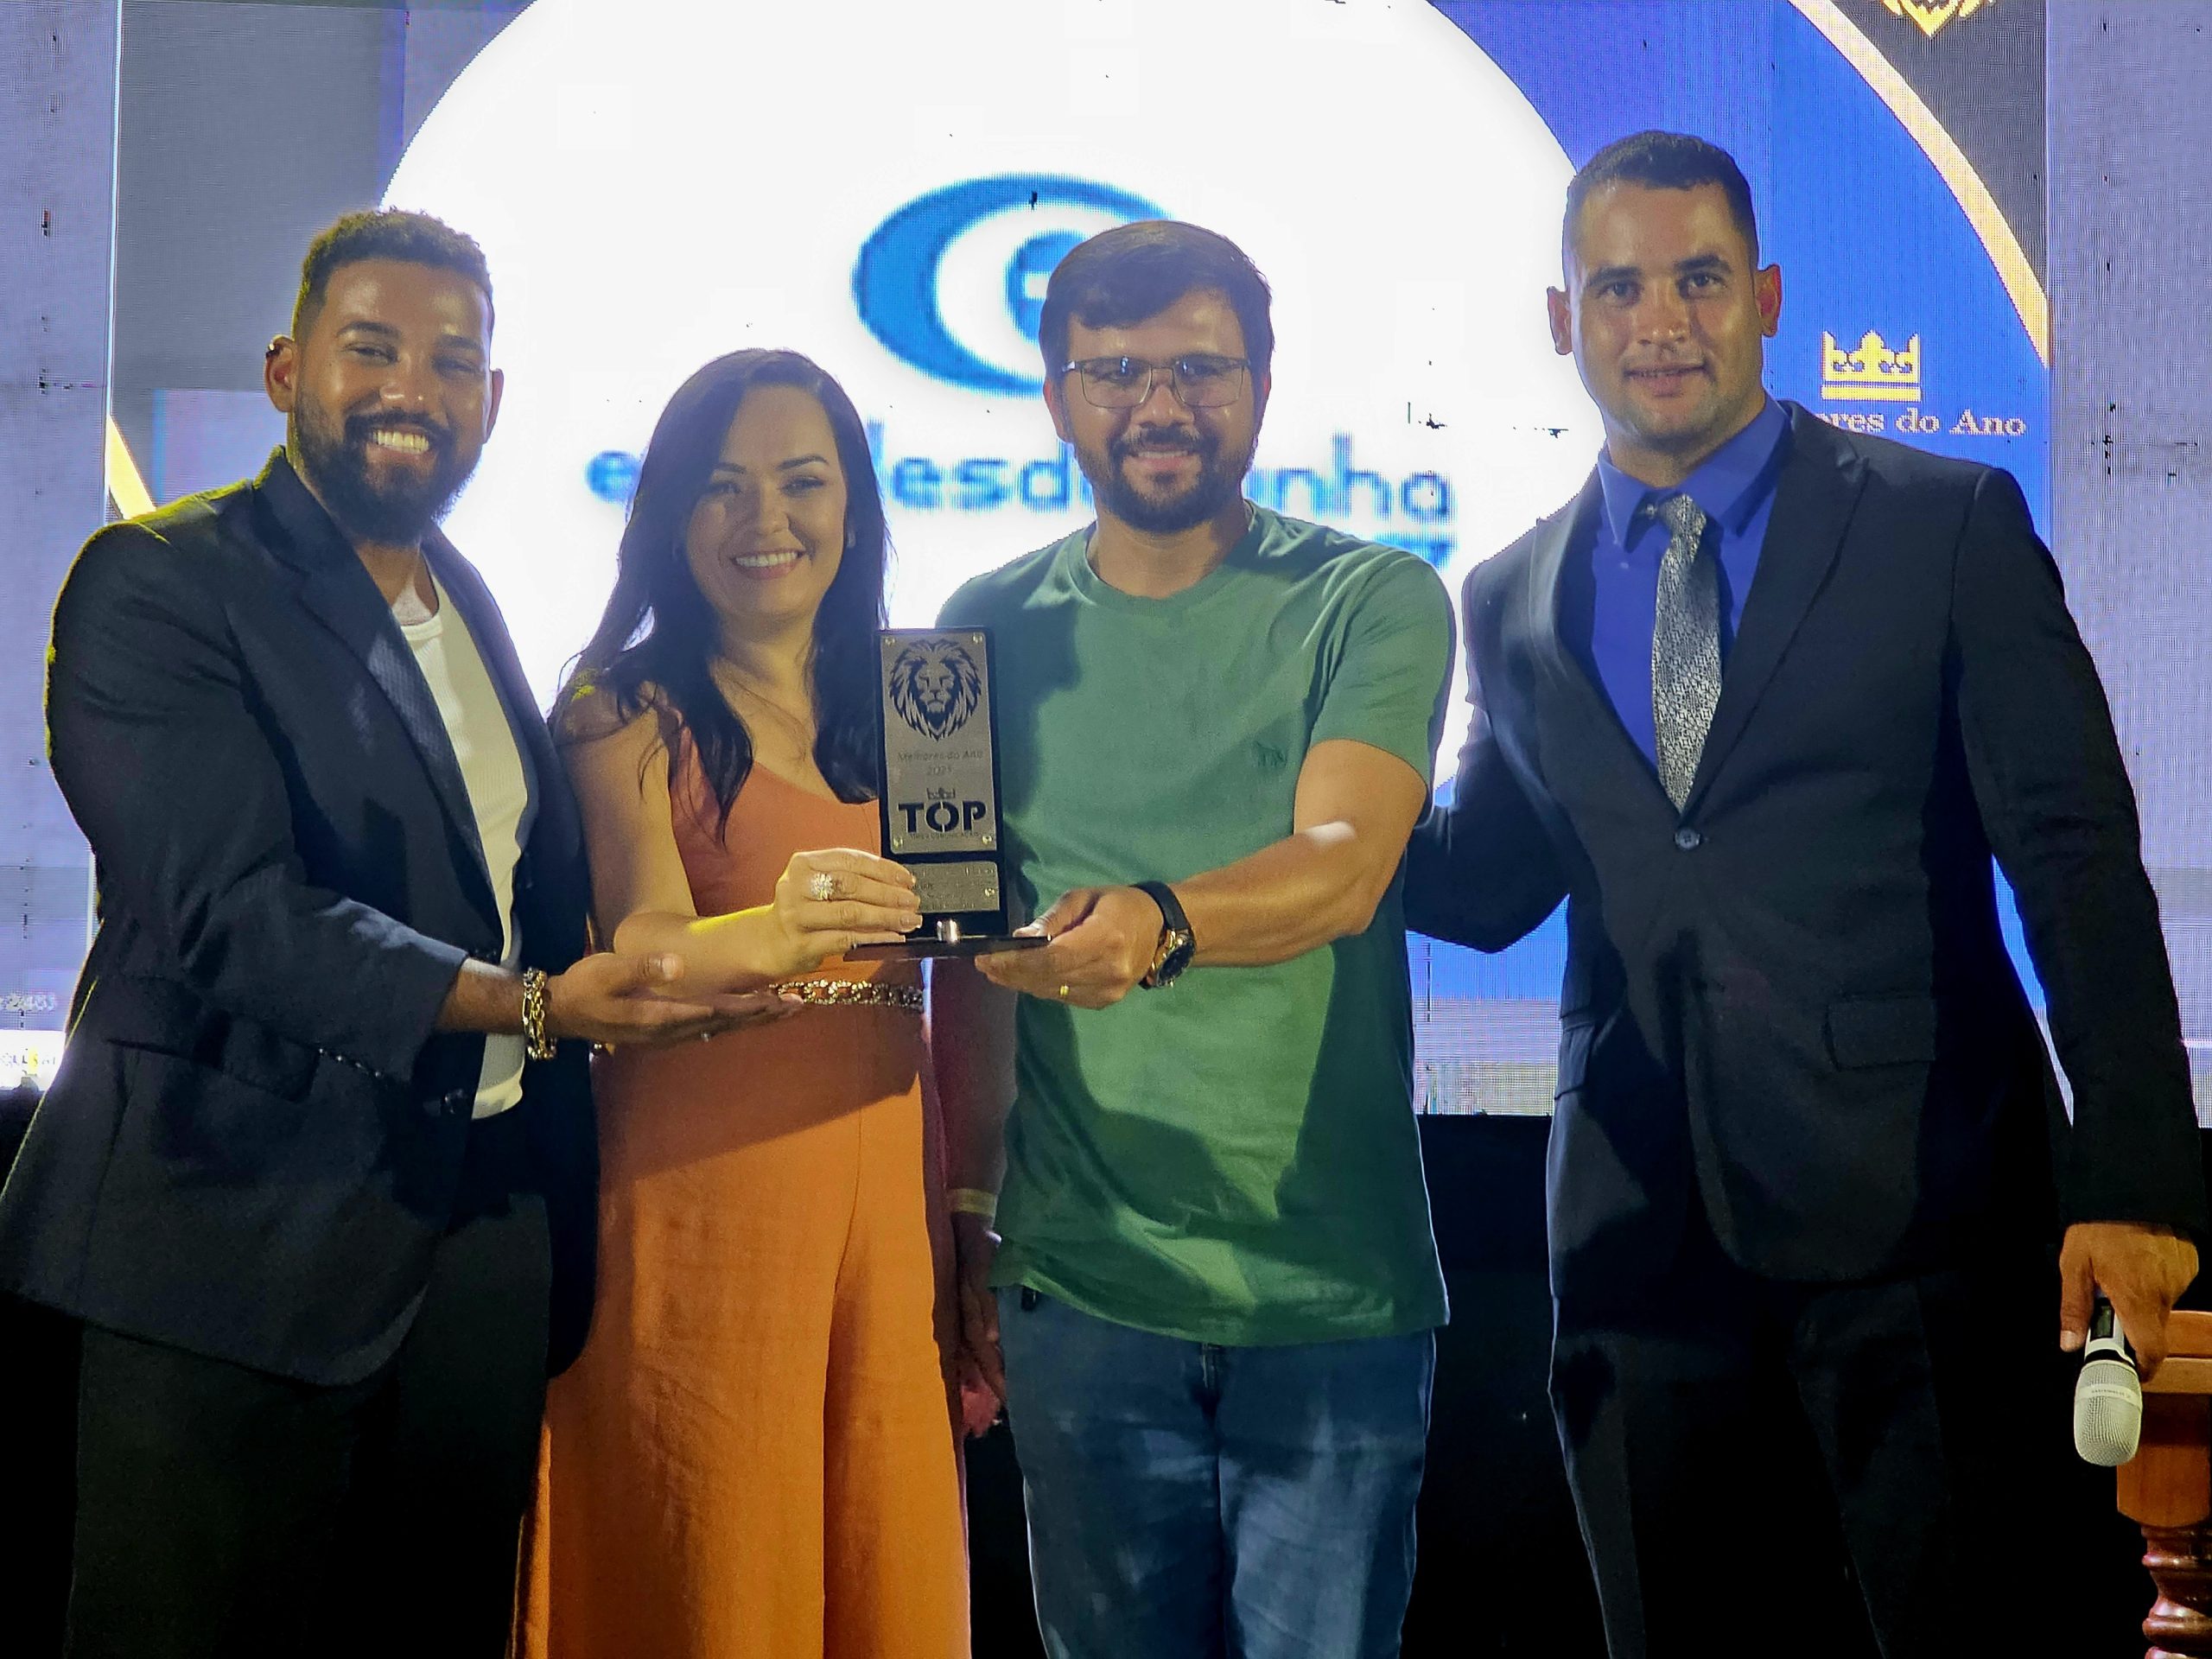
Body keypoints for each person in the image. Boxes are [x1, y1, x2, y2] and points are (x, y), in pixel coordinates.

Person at [1407, 130, 2209, 1656]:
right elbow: (1493, 881)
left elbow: (2075, 856)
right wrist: (1282, 809)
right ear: (1563, 321)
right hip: (1639, 1254)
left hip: (1927, 1235)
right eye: (1619, 287)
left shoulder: (1942, 522)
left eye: (1699, 279)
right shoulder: (1510, 594)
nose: (1660, 321)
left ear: (1767, 297)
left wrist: (2135, 1182)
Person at [0, 210, 762, 1656]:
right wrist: (531, 1008)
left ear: (494, 399)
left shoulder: (463, 594)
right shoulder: (159, 584)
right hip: (228, 1246)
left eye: (452, 361)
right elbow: (230, 913)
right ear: (286, 370)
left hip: (471, 1249)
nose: (414, 387)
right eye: (373, 348)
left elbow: (516, 891)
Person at [932, 220, 1455, 1659]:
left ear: (1264, 387)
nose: (1158, 405)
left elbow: (1345, 867)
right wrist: (967, 1215)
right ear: (1056, 397)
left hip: (1330, 1294)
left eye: (1199, 370)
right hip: (1081, 1291)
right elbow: (968, 960)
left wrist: (1158, 926)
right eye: (1114, 371)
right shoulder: (977, 627)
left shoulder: (1372, 598)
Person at [520, 348, 970, 1659]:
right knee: (711, 1555)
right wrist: (778, 930)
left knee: (881, 1552)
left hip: (887, 1192)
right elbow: (645, 938)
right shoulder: (621, 707)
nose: (763, 518)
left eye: (801, 481)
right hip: (698, 1191)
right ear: (670, 513)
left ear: (855, 509)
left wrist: (976, 1201)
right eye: (721, 486)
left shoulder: (926, 705)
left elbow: (971, 967)